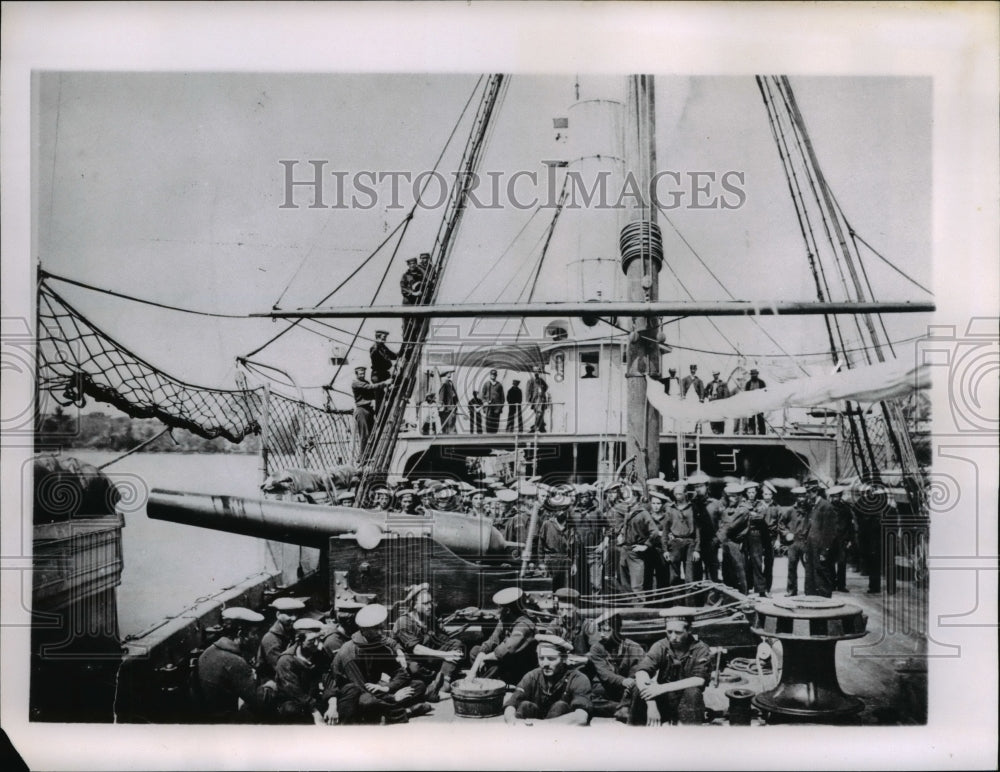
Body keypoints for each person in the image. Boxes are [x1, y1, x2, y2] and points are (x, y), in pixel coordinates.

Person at [330, 603, 430, 725]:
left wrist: (387, 688)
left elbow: (400, 673)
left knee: (418, 685)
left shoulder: (376, 643)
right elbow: (362, 689)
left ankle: (384, 712)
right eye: (376, 629)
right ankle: (405, 711)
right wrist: (393, 697)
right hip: (353, 695)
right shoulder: (349, 653)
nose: (380, 632)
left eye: (381, 628)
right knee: (366, 702)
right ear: (364, 630)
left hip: (376, 689)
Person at [629, 608, 711, 726]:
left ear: (689, 630)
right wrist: (651, 703)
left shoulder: (701, 649)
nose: (673, 637)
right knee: (638, 688)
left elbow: (699, 679)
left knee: (693, 692)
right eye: (669, 632)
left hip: (686, 701)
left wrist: (660, 688)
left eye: (678, 632)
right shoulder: (661, 646)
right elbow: (641, 672)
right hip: (663, 700)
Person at [194, 607, 271, 723]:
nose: (256, 638)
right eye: (253, 633)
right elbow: (259, 702)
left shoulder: (208, 652)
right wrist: (270, 686)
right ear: (240, 634)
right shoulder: (235, 661)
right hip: (228, 722)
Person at [391, 584, 465, 702]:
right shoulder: (404, 622)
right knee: (414, 668)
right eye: (425, 604)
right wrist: (445, 655)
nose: (429, 606)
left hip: (430, 657)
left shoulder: (429, 619)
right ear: (414, 605)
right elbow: (416, 649)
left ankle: (442, 685)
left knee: (457, 644)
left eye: (430, 602)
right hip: (415, 660)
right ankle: (435, 684)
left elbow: (442, 639)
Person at [503, 637, 591, 725]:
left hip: (561, 731)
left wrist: (543, 724)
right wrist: (512, 720)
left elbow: (581, 717)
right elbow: (511, 704)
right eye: (541, 658)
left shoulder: (578, 678)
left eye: (551, 659)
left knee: (560, 706)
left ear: (564, 658)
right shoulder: (532, 676)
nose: (545, 664)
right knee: (525, 706)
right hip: (532, 728)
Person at [469, 587, 538, 686]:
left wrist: (483, 659)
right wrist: (475, 667)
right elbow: (491, 642)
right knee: (476, 651)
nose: (496, 610)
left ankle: (484, 686)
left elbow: (503, 652)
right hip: (508, 661)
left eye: (498, 607)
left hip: (521, 669)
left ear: (507, 610)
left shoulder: (524, 625)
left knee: (495, 662)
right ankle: (483, 681)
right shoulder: (505, 620)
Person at [587, 610, 646, 721]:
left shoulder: (634, 648)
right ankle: (623, 708)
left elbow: (637, 675)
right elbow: (605, 674)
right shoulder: (597, 648)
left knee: (637, 688)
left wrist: (629, 684)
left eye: (607, 630)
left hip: (627, 691)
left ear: (617, 630)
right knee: (588, 700)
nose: (602, 634)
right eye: (600, 630)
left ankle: (625, 707)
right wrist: (624, 681)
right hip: (607, 690)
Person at [273, 618, 332, 724]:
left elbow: (328, 677)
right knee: (291, 709)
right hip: (296, 701)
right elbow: (295, 692)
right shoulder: (287, 660)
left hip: (314, 698)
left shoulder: (320, 653)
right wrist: (315, 712)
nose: (318, 644)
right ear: (299, 640)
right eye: (312, 640)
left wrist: (333, 703)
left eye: (319, 639)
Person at [803, 479, 839, 598]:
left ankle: (824, 604)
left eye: (808, 493)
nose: (806, 496)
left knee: (822, 575)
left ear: (814, 492)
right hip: (811, 548)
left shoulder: (826, 506)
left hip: (820, 549)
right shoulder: (813, 506)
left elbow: (830, 532)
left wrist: (825, 551)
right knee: (811, 575)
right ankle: (811, 600)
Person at [257, 597, 305, 682]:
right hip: (274, 682)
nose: (294, 618)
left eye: (295, 614)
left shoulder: (290, 631)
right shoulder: (271, 640)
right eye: (289, 614)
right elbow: (282, 668)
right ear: (278, 615)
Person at [663, 482, 700, 588]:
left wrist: (697, 550)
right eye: (676, 494)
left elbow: (697, 530)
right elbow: (665, 530)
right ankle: (677, 602)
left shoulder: (693, 508)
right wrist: (665, 549)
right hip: (675, 544)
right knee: (674, 576)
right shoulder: (670, 509)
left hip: (690, 543)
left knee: (690, 577)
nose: (677, 496)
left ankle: (690, 603)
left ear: (685, 494)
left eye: (680, 494)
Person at [716, 484, 749, 595]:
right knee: (727, 571)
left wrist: (716, 539)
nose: (731, 499)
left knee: (739, 572)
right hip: (726, 542)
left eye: (734, 496)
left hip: (736, 543)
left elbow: (730, 526)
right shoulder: (728, 509)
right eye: (729, 496)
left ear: (740, 496)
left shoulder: (743, 510)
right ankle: (730, 597)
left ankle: (743, 597)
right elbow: (721, 523)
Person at [778, 486, 811, 596]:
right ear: (795, 497)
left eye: (803, 496)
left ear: (806, 497)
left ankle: (809, 590)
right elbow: (781, 524)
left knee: (808, 567)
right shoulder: (790, 511)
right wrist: (787, 533)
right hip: (793, 543)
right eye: (799, 496)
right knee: (791, 567)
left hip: (806, 542)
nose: (801, 499)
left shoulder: (810, 510)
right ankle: (791, 591)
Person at [741, 481, 772, 597]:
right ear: (746, 493)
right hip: (744, 535)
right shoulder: (742, 504)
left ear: (756, 493)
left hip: (756, 535)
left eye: (753, 492)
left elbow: (761, 516)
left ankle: (761, 590)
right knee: (744, 562)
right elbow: (742, 516)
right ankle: (745, 588)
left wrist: (750, 514)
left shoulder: (760, 504)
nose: (751, 494)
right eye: (749, 492)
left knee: (757, 562)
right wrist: (751, 514)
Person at [688, 473, 720, 582]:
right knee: (696, 573)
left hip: (711, 542)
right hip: (695, 543)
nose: (698, 489)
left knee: (712, 573)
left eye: (700, 486)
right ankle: (699, 598)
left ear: (707, 487)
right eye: (696, 487)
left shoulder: (715, 504)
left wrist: (717, 539)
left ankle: (712, 598)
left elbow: (723, 524)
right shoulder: (691, 504)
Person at [351, 365, 386, 455]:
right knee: (364, 435)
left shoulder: (366, 382)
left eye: (363, 373)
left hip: (369, 410)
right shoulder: (356, 383)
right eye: (361, 373)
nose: (362, 375)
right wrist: (385, 383)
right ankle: (363, 456)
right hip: (362, 411)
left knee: (372, 434)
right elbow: (369, 387)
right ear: (356, 374)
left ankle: (370, 454)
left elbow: (372, 394)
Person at [829, 485, 855, 592]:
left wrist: (850, 540)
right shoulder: (828, 508)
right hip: (830, 539)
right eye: (834, 496)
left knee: (842, 562)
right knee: (830, 562)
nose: (836, 498)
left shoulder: (846, 509)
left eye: (837, 496)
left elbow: (850, 526)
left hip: (842, 539)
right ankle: (831, 584)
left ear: (840, 496)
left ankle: (841, 585)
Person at [704, 370, 729, 434]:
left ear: (718, 374)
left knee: (720, 416)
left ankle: (721, 431)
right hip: (712, 402)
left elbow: (726, 394)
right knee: (713, 416)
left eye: (717, 374)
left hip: (720, 402)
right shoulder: (710, 384)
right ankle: (714, 430)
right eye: (714, 375)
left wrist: (724, 402)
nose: (715, 376)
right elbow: (705, 392)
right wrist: (708, 396)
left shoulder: (723, 383)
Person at [743, 368, 767, 435]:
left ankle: (762, 433)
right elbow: (746, 394)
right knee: (751, 419)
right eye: (753, 374)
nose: (754, 375)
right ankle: (751, 433)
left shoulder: (762, 383)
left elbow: (765, 393)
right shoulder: (748, 383)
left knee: (761, 419)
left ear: (757, 374)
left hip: (760, 404)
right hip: (751, 404)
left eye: (755, 374)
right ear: (751, 375)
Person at [482, 369, 505, 434]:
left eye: (494, 375)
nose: (493, 376)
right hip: (488, 407)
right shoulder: (486, 384)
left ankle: (495, 437)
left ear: (496, 376)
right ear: (490, 375)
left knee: (496, 422)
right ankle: (489, 437)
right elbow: (482, 395)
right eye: (492, 375)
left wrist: (500, 407)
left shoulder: (499, 385)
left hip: (496, 408)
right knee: (488, 422)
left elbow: (502, 397)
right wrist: (485, 402)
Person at [526, 367, 549, 433]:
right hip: (535, 399)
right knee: (539, 413)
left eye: (538, 372)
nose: (537, 373)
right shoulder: (531, 381)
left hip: (542, 399)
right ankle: (536, 427)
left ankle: (541, 427)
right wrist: (529, 399)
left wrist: (542, 391)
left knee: (541, 413)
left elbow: (546, 386)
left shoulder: (541, 380)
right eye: (535, 372)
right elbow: (528, 390)